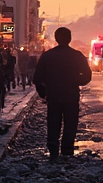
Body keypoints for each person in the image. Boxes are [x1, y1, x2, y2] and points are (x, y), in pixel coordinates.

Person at [33, 27, 93, 160]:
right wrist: (75, 81)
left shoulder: (47, 56)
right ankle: (67, 150)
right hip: (71, 95)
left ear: (56, 39)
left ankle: (53, 149)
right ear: (69, 39)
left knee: (53, 122)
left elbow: (37, 78)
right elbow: (87, 76)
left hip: (53, 95)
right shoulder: (77, 55)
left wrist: (43, 92)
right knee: (70, 123)